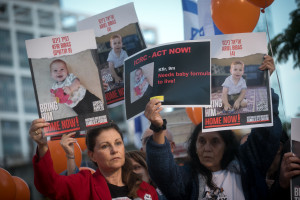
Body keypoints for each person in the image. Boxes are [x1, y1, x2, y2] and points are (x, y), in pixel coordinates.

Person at [144, 56, 283, 200]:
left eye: (215, 141)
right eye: (202, 141)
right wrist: (158, 128)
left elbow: (267, 135)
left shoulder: (248, 164)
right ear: (194, 146)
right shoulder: (187, 179)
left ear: (226, 145)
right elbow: (163, 173)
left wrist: (262, 81)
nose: (207, 148)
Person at [29, 119, 158, 200]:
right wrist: (42, 146)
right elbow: (49, 185)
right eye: (105, 146)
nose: (114, 150)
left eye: (118, 143)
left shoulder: (146, 190)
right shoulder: (83, 184)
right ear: (92, 155)